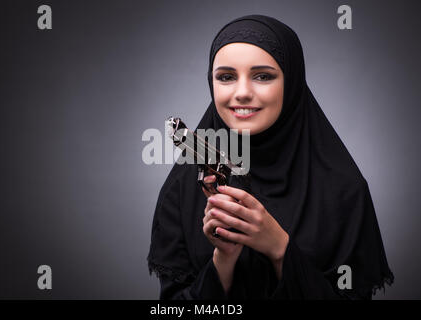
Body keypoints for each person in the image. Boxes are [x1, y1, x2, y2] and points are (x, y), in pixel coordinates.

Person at [147, 14, 394, 300]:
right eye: (226, 77)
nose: (242, 93)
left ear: (291, 82)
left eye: (263, 76)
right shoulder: (183, 188)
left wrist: (278, 248)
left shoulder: (344, 189)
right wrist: (223, 261)